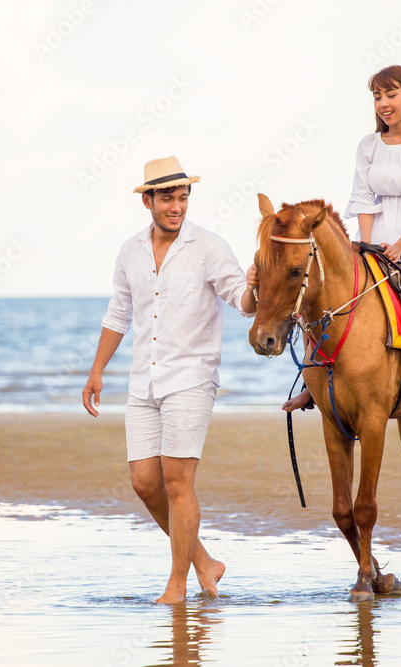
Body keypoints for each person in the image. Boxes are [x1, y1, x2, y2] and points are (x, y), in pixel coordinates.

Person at [82, 156, 257, 604]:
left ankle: (177, 585)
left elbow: (241, 298)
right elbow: (118, 314)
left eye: (182, 197)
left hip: (192, 378)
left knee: (178, 481)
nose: (176, 206)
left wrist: (256, 288)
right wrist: (97, 370)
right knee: (145, 481)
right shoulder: (130, 251)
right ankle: (204, 561)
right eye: (167, 198)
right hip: (144, 382)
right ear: (148, 200)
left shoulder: (209, 247)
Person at [283, 65, 401, 426]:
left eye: (390, 94)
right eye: (377, 96)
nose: (383, 103)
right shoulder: (368, 145)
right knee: (327, 297)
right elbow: (363, 197)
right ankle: (312, 381)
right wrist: (365, 245)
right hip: (376, 241)